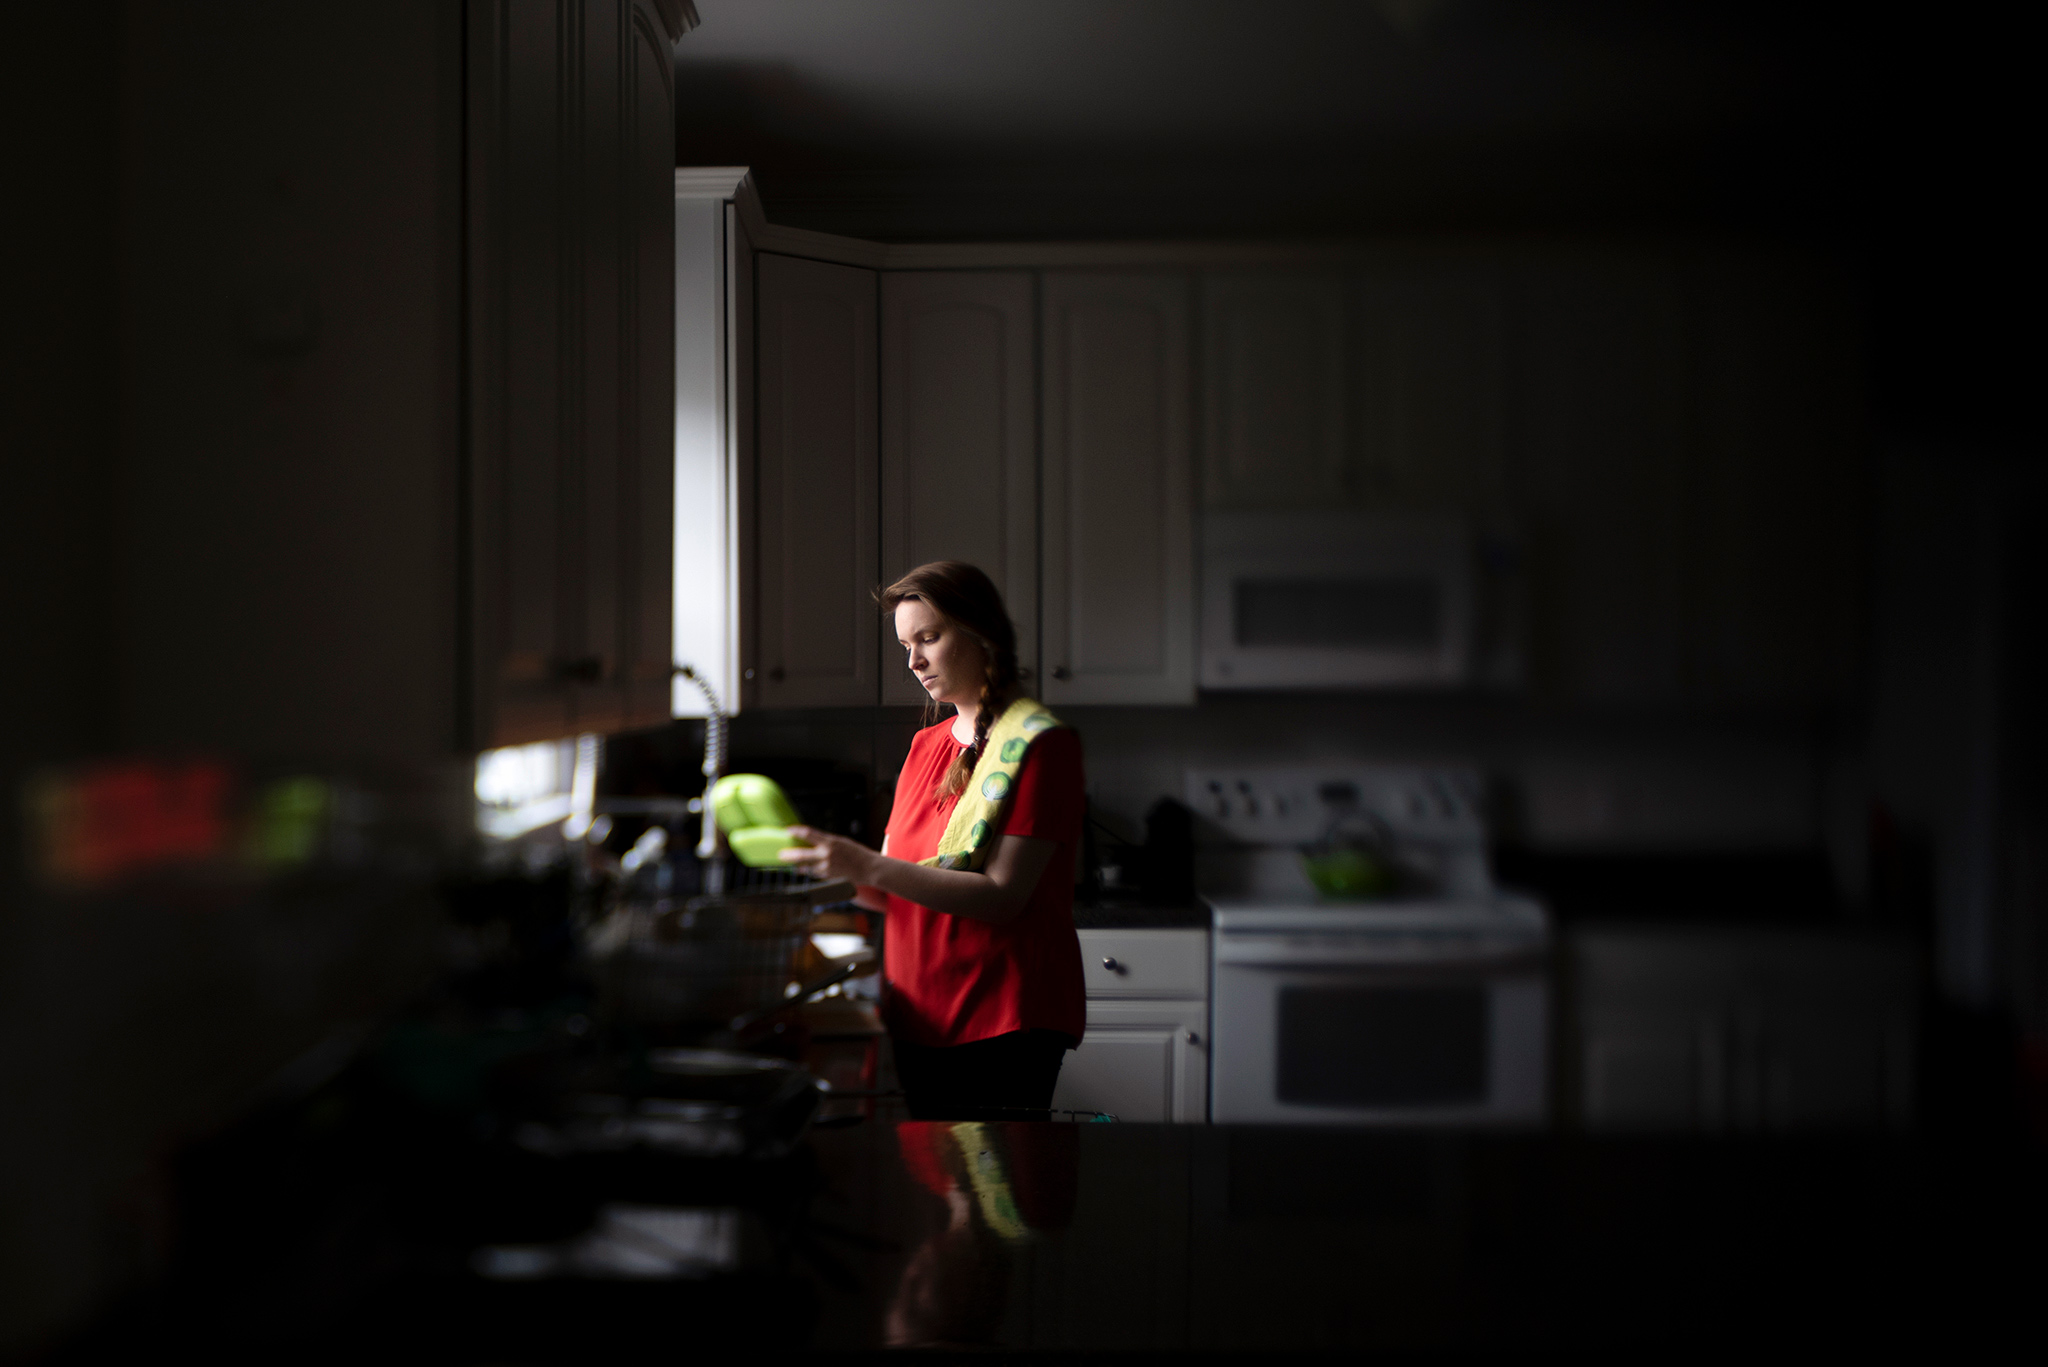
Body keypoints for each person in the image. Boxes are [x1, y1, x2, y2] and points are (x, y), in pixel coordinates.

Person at [778, 561, 1086, 1120]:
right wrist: (829, 867)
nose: (913, 661)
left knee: (994, 1196)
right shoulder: (926, 746)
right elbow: (895, 886)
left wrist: (868, 868)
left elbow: (1002, 896)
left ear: (981, 634)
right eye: (905, 644)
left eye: (928, 638)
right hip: (918, 1013)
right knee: (948, 1192)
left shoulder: (1041, 746)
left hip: (1001, 1018)